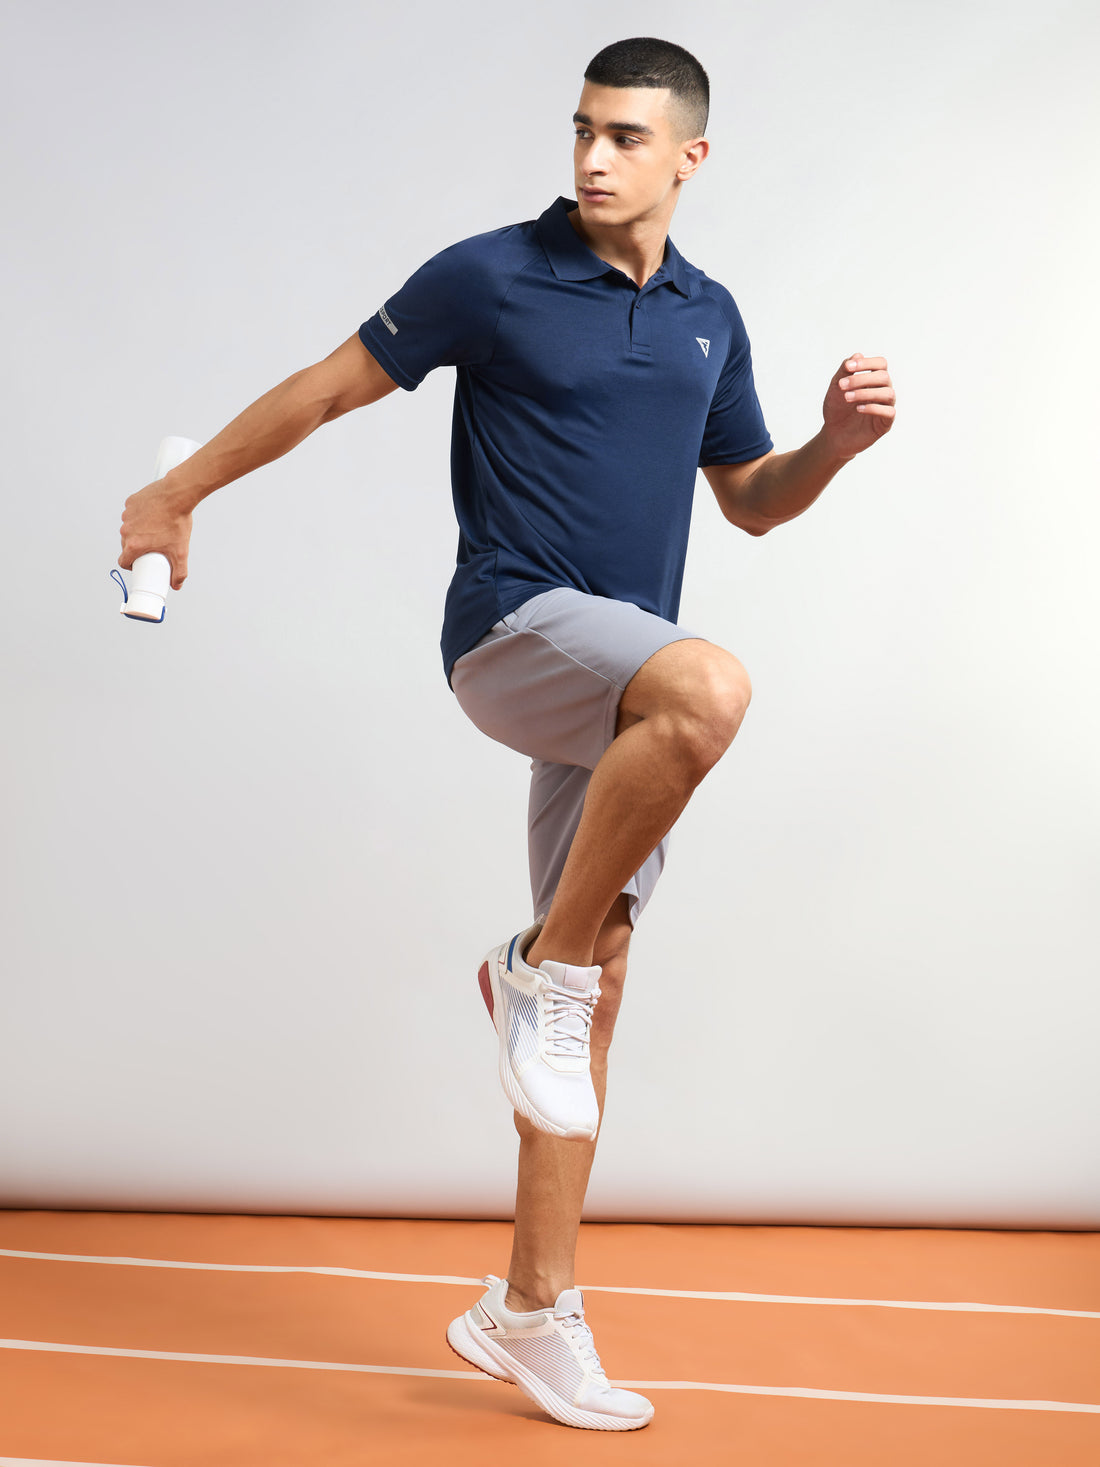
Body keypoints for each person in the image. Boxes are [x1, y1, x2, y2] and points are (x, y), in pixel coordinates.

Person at [118, 36, 895, 1433]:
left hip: (618, 685)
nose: (594, 158)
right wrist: (177, 497)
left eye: (626, 137)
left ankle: (531, 1309)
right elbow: (327, 387)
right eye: (583, 129)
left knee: (599, 971)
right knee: (709, 695)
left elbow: (752, 500)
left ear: (690, 156)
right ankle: (533, 972)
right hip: (511, 629)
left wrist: (833, 446)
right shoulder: (492, 275)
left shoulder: (710, 315)